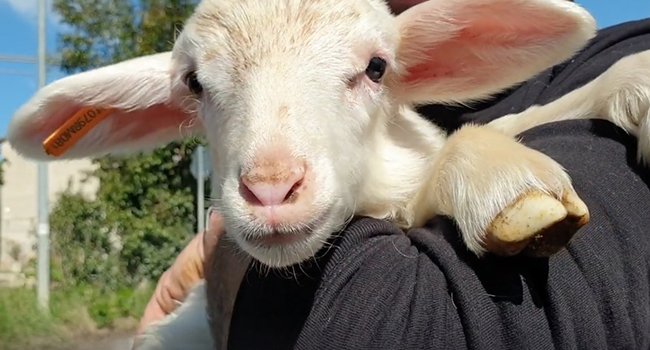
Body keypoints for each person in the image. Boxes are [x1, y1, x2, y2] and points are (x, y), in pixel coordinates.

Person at [137, 1, 650, 348]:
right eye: (199, 85)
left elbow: (413, 320)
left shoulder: (615, 53)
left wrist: (227, 268)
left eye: (376, 69)